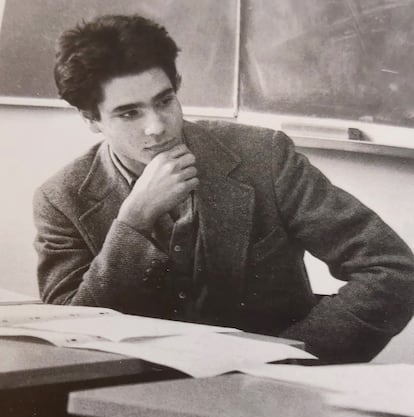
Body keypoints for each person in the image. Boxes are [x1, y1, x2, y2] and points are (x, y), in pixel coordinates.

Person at [33, 14, 414, 363]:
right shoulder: (62, 198)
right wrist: (133, 223)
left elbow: (392, 268)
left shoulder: (263, 157)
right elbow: (70, 327)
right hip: (130, 396)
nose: (157, 127)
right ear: (91, 120)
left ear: (177, 87)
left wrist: (298, 354)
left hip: (271, 392)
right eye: (129, 113)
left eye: (165, 101)